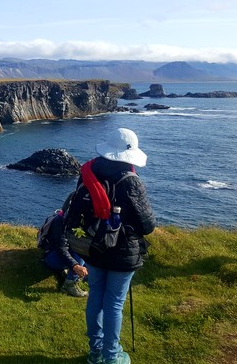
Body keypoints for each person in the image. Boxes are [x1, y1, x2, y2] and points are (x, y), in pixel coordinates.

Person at [78, 128, 156, 364]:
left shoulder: (89, 172)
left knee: (96, 296)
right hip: (122, 252)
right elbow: (147, 224)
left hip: (94, 246)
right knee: (114, 302)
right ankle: (111, 356)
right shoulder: (130, 181)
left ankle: (96, 350)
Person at [42, 207, 89, 297]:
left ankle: (82, 276)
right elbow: (61, 248)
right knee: (82, 250)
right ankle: (69, 285)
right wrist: (75, 265)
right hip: (51, 257)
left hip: (64, 256)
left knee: (86, 247)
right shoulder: (61, 222)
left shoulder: (76, 220)